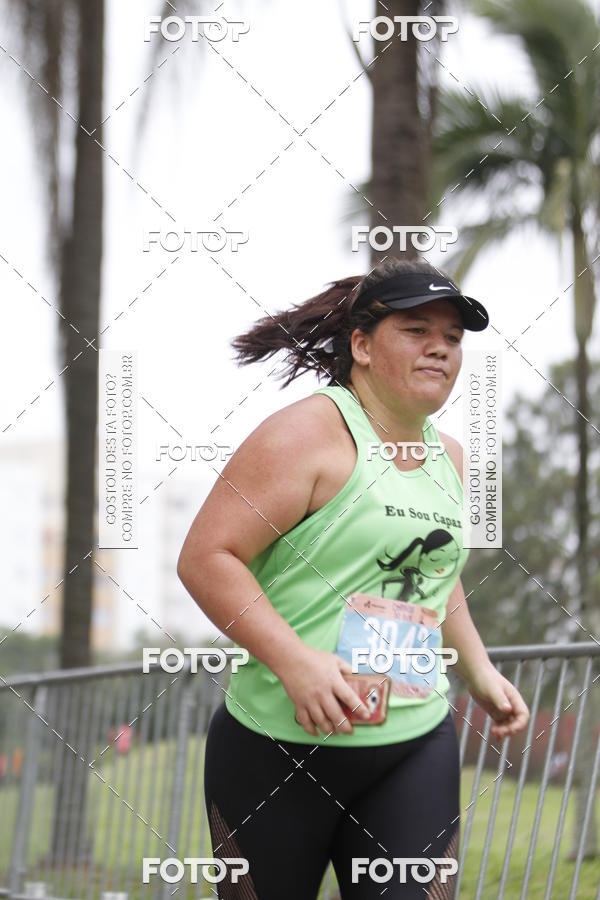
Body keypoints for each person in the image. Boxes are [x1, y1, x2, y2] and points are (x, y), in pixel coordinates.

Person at [177, 257, 530, 899]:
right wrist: (296, 663)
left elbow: (437, 578)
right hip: (277, 749)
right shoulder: (305, 436)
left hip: (413, 742)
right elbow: (207, 558)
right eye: (416, 330)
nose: (440, 349)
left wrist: (478, 670)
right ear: (362, 346)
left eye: (452, 338)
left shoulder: (451, 460)